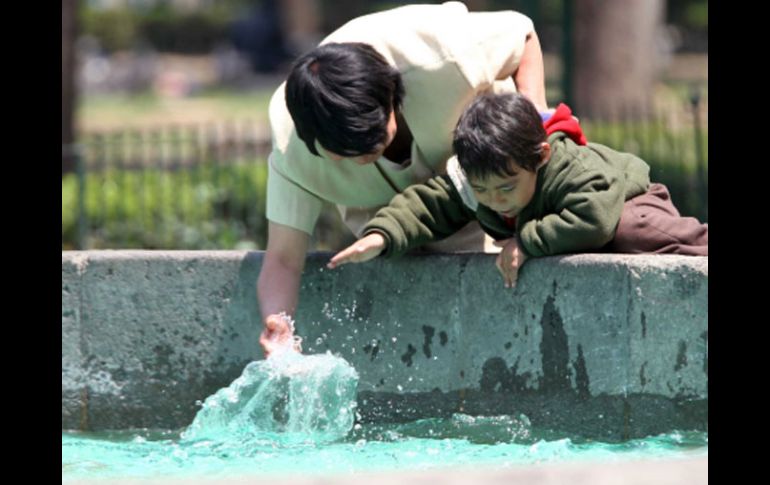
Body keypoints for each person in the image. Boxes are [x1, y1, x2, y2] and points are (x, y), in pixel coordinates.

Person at [259, 2, 551, 356]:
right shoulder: (293, 147)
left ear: (393, 96)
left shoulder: (443, 57)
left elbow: (523, 32)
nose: (367, 157)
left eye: (375, 140)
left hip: (486, 172)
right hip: (389, 220)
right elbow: (283, 259)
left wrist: (534, 126)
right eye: (347, 154)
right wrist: (279, 326)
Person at [327, 92, 708, 288]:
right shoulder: (481, 180)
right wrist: (381, 235)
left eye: (506, 187)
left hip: (625, 204)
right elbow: (429, 205)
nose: (494, 199)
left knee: (630, 231)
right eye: (482, 189)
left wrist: (526, 242)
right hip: (575, 226)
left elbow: (593, 219)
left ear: (539, 157)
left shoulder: (572, 167)